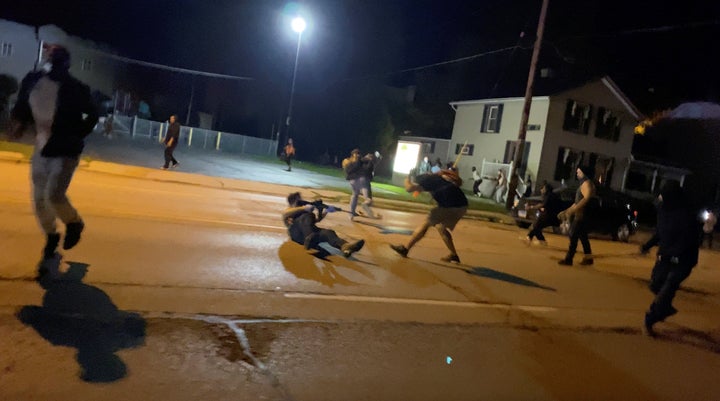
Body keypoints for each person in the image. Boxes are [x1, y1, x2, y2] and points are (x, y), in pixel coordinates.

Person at [9, 45, 99, 260]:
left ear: (66, 65)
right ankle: (51, 236)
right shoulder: (33, 81)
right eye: (50, 58)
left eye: (58, 60)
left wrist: (77, 135)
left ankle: (74, 223)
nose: (53, 63)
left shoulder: (76, 88)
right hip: (42, 147)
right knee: (39, 199)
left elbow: (93, 114)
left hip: (65, 150)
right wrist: (20, 124)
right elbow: (23, 103)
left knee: (54, 195)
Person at [639, 181, 701, 336]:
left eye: (663, 195)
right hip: (666, 256)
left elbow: (690, 240)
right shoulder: (664, 211)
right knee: (655, 284)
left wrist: (674, 254)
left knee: (668, 288)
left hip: (683, 260)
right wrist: (647, 246)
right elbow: (660, 233)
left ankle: (651, 318)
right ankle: (665, 307)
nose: (660, 197)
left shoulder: (687, 215)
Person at [390, 168, 468, 263]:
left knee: (426, 223)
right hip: (462, 206)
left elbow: (409, 188)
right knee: (440, 227)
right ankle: (453, 255)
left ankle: (405, 249)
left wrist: (406, 178)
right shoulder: (439, 179)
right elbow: (455, 184)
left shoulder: (427, 180)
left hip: (450, 206)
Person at [282, 192, 365, 257]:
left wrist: (325, 211)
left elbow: (317, 220)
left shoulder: (305, 211)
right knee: (307, 216)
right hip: (298, 236)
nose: (301, 202)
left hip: (312, 234)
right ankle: (310, 237)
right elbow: (285, 214)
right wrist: (304, 208)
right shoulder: (289, 211)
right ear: (292, 202)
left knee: (328, 233)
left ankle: (346, 247)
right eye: (298, 200)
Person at [557, 166, 598, 266]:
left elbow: (586, 198)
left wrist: (574, 210)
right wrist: (567, 211)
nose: (577, 173)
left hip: (582, 215)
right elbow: (577, 202)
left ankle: (569, 259)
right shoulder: (584, 184)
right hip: (580, 215)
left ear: (584, 173)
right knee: (582, 236)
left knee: (573, 235)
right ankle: (588, 258)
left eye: (579, 172)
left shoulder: (587, 183)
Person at [342, 149, 374, 219]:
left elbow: (347, 170)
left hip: (352, 181)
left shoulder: (348, 161)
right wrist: (369, 160)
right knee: (367, 196)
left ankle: (351, 214)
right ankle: (366, 203)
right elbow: (368, 169)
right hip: (362, 179)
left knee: (355, 195)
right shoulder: (361, 161)